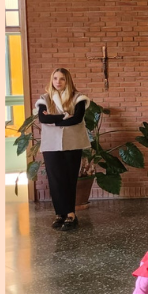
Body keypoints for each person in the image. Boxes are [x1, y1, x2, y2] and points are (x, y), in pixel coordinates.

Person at [34, 68, 90, 231]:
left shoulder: (78, 98)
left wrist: (54, 120)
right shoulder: (45, 98)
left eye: (62, 79)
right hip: (51, 145)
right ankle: (60, 214)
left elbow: (77, 119)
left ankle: (71, 214)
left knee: (69, 178)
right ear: (52, 80)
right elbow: (43, 118)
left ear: (68, 81)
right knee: (55, 179)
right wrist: (65, 116)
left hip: (72, 144)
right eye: (55, 78)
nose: (58, 82)